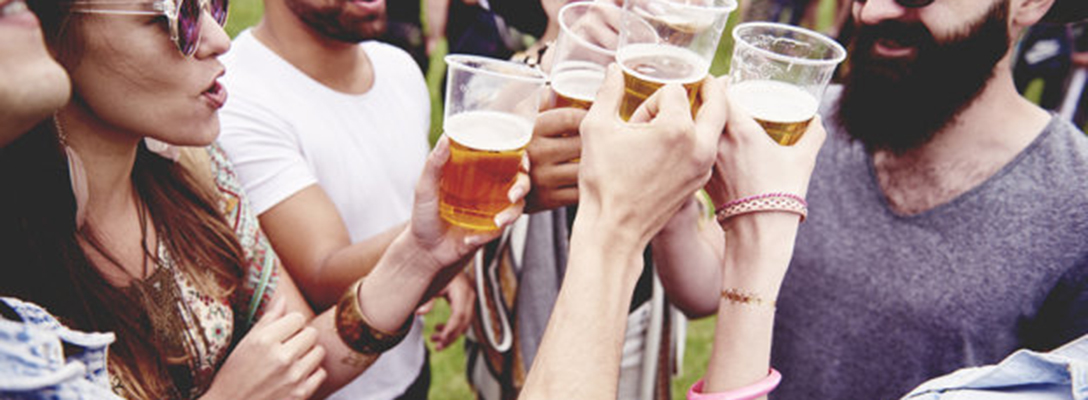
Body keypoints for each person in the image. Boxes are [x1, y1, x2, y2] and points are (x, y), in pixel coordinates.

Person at [0, 1, 527, 399]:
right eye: (173, 15)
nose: (216, 38)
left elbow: (300, 358)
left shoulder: (198, 172)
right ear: (42, 28)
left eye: (214, 4)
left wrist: (421, 252)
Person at [652, 0, 1088, 399]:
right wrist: (670, 194)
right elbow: (705, 285)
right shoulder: (804, 123)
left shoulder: (1076, 203)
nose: (872, 12)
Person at [215, 0, 473, 398]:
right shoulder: (236, 97)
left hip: (409, 369)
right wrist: (468, 212)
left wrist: (448, 271)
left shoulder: (399, 68)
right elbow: (324, 274)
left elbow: (401, 206)